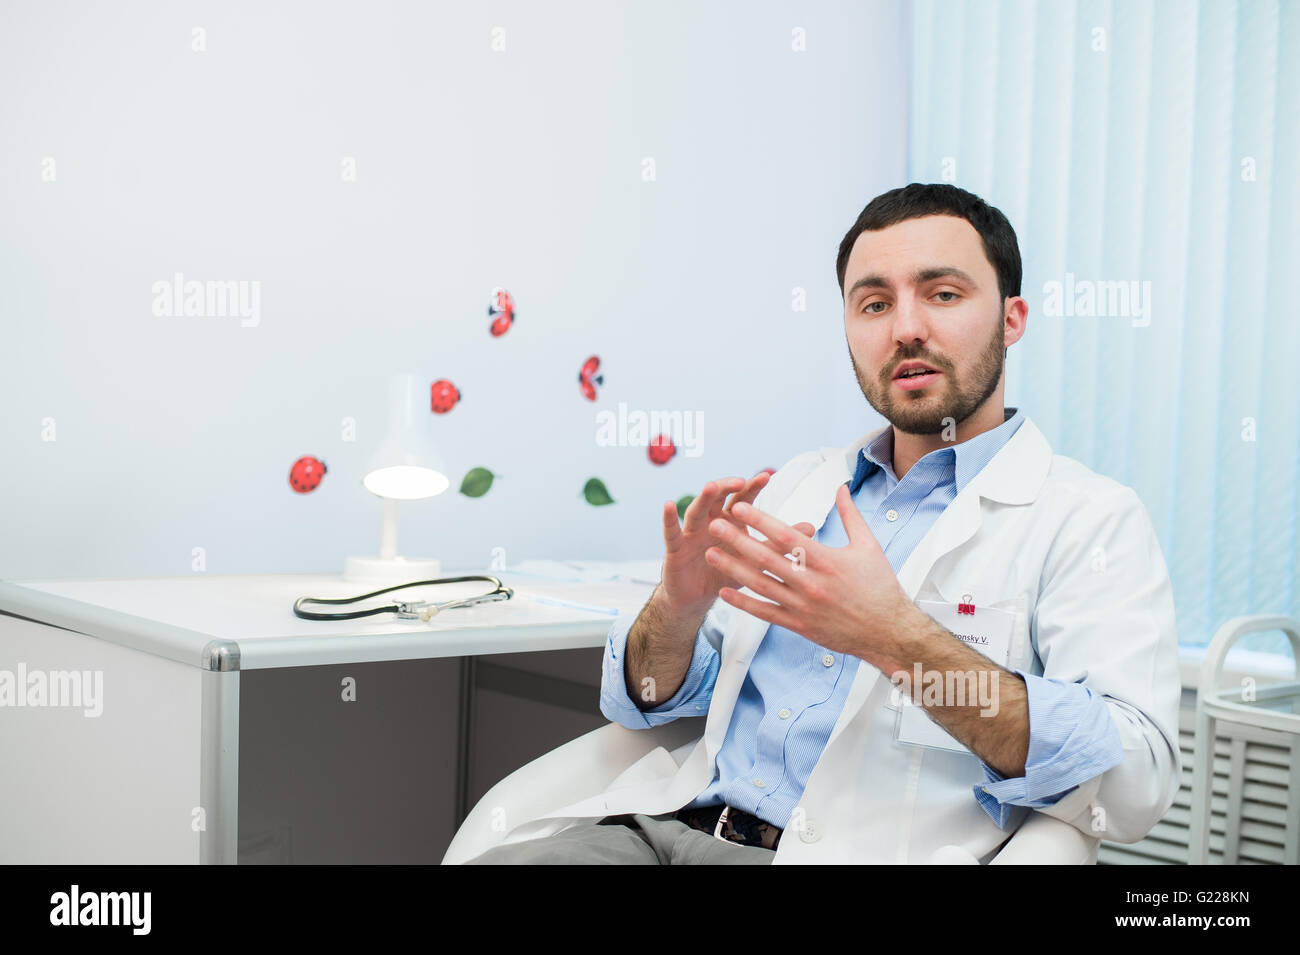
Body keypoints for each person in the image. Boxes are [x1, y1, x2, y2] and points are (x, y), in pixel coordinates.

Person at [464, 183, 1181, 864]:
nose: (906, 329)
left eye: (943, 293)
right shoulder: (800, 485)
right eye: (873, 304)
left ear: (1012, 318)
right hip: (661, 830)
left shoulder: (1089, 522)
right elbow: (651, 702)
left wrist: (895, 638)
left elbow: (1134, 781)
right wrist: (675, 611)